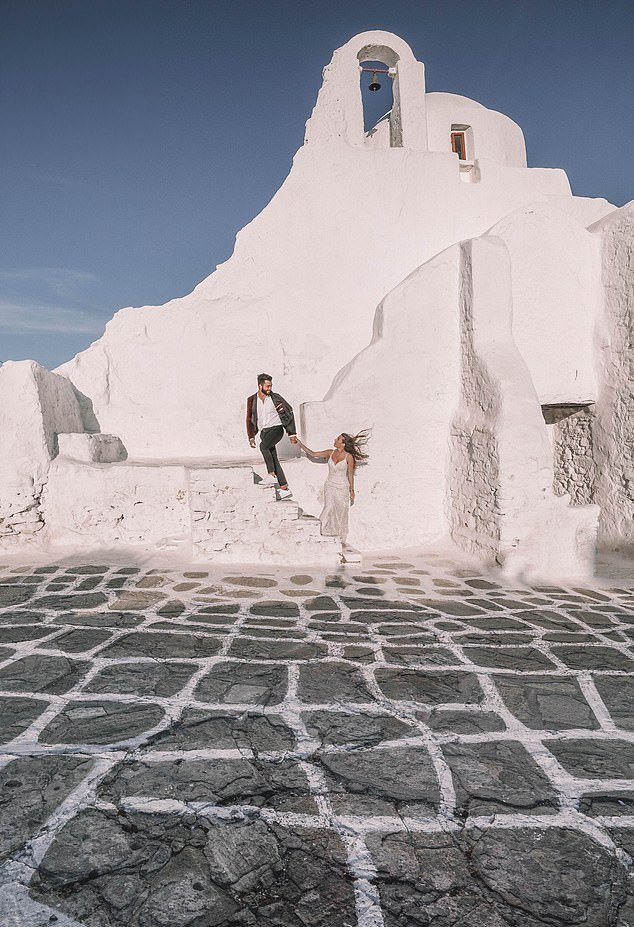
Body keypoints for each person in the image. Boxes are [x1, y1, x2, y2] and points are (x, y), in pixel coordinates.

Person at [294, 430, 369, 541]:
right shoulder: (330, 453)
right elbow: (313, 454)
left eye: (338, 439)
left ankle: (338, 537)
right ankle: (317, 532)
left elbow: (350, 474)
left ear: (343, 444)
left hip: (342, 487)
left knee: (341, 512)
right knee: (328, 507)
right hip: (330, 484)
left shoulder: (349, 457)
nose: (335, 439)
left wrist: (352, 490)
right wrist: (299, 443)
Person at [246, 373, 298, 499]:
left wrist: (291, 433)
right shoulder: (252, 400)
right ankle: (284, 488)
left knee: (263, 447)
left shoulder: (276, 398)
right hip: (264, 432)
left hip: (277, 429)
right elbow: (249, 418)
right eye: (267, 386)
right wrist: (251, 435)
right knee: (273, 457)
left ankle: (271, 475)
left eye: (270, 386)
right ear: (260, 386)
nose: (269, 388)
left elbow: (288, 412)